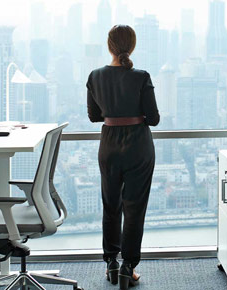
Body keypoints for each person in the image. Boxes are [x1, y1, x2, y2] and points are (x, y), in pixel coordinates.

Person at [86, 24, 160, 289]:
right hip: (138, 145)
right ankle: (129, 267)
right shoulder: (141, 76)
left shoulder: (95, 76)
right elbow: (154, 118)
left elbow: (95, 116)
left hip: (109, 145)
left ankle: (111, 264)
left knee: (111, 205)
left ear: (109, 46)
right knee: (134, 208)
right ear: (132, 46)